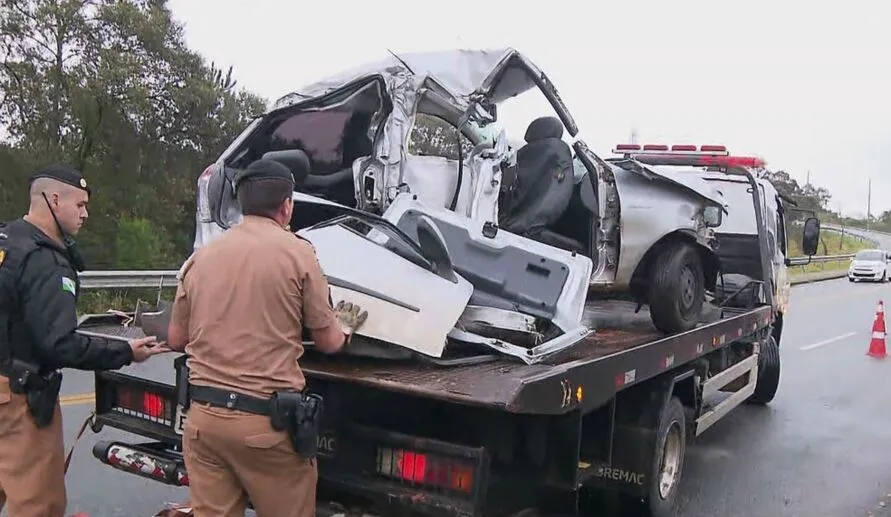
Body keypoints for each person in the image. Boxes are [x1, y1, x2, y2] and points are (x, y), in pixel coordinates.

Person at [165, 158, 368, 517]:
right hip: (265, 428)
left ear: (241, 205)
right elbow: (328, 342)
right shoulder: (299, 254)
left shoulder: (201, 258)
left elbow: (177, 338)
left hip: (204, 425)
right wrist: (346, 327)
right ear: (287, 205)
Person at [0, 164, 168, 516]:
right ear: (54, 199)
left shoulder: (7, 242)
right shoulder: (46, 262)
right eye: (79, 205)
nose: (86, 214)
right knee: (36, 503)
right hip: (20, 400)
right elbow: (59, 344)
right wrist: (124, 351)